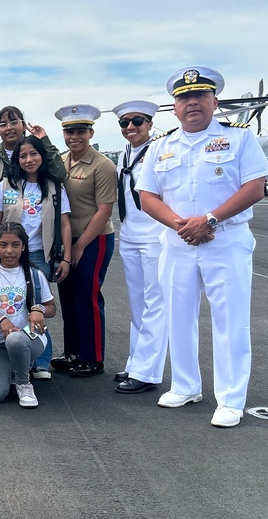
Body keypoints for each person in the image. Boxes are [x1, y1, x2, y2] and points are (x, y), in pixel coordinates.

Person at [138, 66, 268, 428]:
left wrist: (208, 220)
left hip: (225, 240)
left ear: (215, 101)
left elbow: (255, 187)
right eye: (184, 97)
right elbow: (147, 195)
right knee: (177, 315)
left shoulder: (240, 138)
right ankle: (185, 384)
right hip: (178, 240)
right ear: (175, 105)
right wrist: (180, 225)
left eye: (200, 95)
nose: (192, 102)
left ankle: (230, 398)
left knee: (230, 320)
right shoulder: (161, 146)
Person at [0, 135, 72, 379]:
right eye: (22, 155)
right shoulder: (7, 185)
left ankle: (41, 359)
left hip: (40, 254)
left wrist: (66, 257)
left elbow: (64, 223)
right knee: (12, 303)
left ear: (41, 157)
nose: (28, 159)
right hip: (9, 252)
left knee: (35, 305)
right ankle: (14, 356)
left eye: (33, 154)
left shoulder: (55, 187)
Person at [50, 105, 117, 379]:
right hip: (69, 239)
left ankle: (93, 357)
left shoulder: (102, 165)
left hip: (94, 240)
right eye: (69, 132)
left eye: (80, 131)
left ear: (91, 132)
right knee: (68, 297)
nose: (74, 137)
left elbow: (104, 211)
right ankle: (73, 352)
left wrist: (79, 246)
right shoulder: (64, 161)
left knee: (88, 298)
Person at [110, 100, 168, 394]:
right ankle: (135, 362)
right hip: (131, 234)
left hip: (155, 235)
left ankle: (147, 372)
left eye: (137, 121)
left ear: (150, 124)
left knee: (155, 304)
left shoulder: (160, 150)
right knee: (138, 305)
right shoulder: (124, 154)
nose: (130, 127)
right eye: (124, 123)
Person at [0, 223, 57, 408]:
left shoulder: (35, 274)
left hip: (31, 338)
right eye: (3, 245)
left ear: (24, 247)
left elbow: (51, 307)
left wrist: (38, 309)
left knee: (15, 340)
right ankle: (13, 367)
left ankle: (23, 383)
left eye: (15, 245)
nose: (9, 251)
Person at [0, 106, 66, 183]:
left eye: (14, 122)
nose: (9, 127)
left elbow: (59, 174)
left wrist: (44, 140)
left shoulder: (39, 150)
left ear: (24, 126)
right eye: (3, 124)